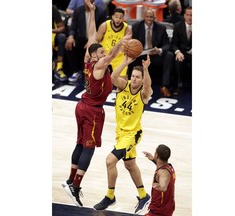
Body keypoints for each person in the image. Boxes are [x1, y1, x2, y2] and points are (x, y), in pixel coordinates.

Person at [62, 0, 131, 207]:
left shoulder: (88, 59)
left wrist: (92, 13)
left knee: (80, 144)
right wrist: (124, 40)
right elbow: (110, 55)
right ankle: (76, 185)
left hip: (82, 105)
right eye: (100, 53)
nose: (103, 53)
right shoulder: (100, 64)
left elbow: (92, 36)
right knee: (89, 149)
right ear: (95, 56)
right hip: (92, 111)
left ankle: (70, 179)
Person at [94, 54, 152, 214]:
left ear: (141, 79)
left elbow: (148, 86)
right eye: (133, 76)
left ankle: (110, 196)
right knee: (130, 165)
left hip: (132, 135)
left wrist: (146, 70)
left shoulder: (143, 93)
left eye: (137, 77)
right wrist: (125, 62)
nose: (134, 79)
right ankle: (143, 196)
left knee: (109, 161)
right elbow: (113, 77)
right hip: (120, 134)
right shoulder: (123, 86)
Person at [128, 9, 174, 97]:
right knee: (130, 56)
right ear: (144, 17)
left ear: (154, 18)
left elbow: (167, 45)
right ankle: (132, 85)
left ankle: (164, 86)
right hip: (140, 55)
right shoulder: (136, 27)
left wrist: (159, 50)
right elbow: (132, 42)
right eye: (147, 16)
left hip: (155, 55)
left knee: (169, 55)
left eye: (151, 17)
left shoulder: (161, 28)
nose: (149, 19)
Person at [65, 0, 107, 82]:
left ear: (93, 1)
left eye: (90, 2)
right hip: (82, 38)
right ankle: (76, 71)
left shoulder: (101, 12)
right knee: (69, 43)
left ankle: (93, 73)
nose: (88, 3)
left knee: (93, 49)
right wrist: (71, 36)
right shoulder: (78, 10)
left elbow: (101, 30)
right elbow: (73, 27)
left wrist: (92, 40)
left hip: (96, 39)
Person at [96, 7, 132, 80]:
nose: (118, 19)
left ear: (123, 18)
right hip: (105, 55)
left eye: (120, 18)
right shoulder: (104, 25)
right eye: (116, 17)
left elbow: (128, 45)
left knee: (123, 81)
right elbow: (97, 40)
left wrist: (125, 50)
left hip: (118, 56)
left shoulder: (127, 29)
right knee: (98, 78)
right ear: (112, 17)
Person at [143, 144, 176, 216]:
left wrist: (160, 187)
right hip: (168, 208)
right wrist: (153, 159)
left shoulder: (163, 173)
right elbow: (161, 166)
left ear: (157, 156)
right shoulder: (170, 168)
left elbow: (164, 186)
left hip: (158, 211)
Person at [171, 6, 192, 96]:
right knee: (178, 59)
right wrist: (177, 52)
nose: (189, 17)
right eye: (187, 15)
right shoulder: (178, 26)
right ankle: (179, 86)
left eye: (192, 15)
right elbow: (174, 44)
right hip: (182, 53)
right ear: (184, 15)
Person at [52, 4, 67, 81]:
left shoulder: (52, 8)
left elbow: (61, 27)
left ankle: (59, 67)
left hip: (52, 34)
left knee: (61, 37)